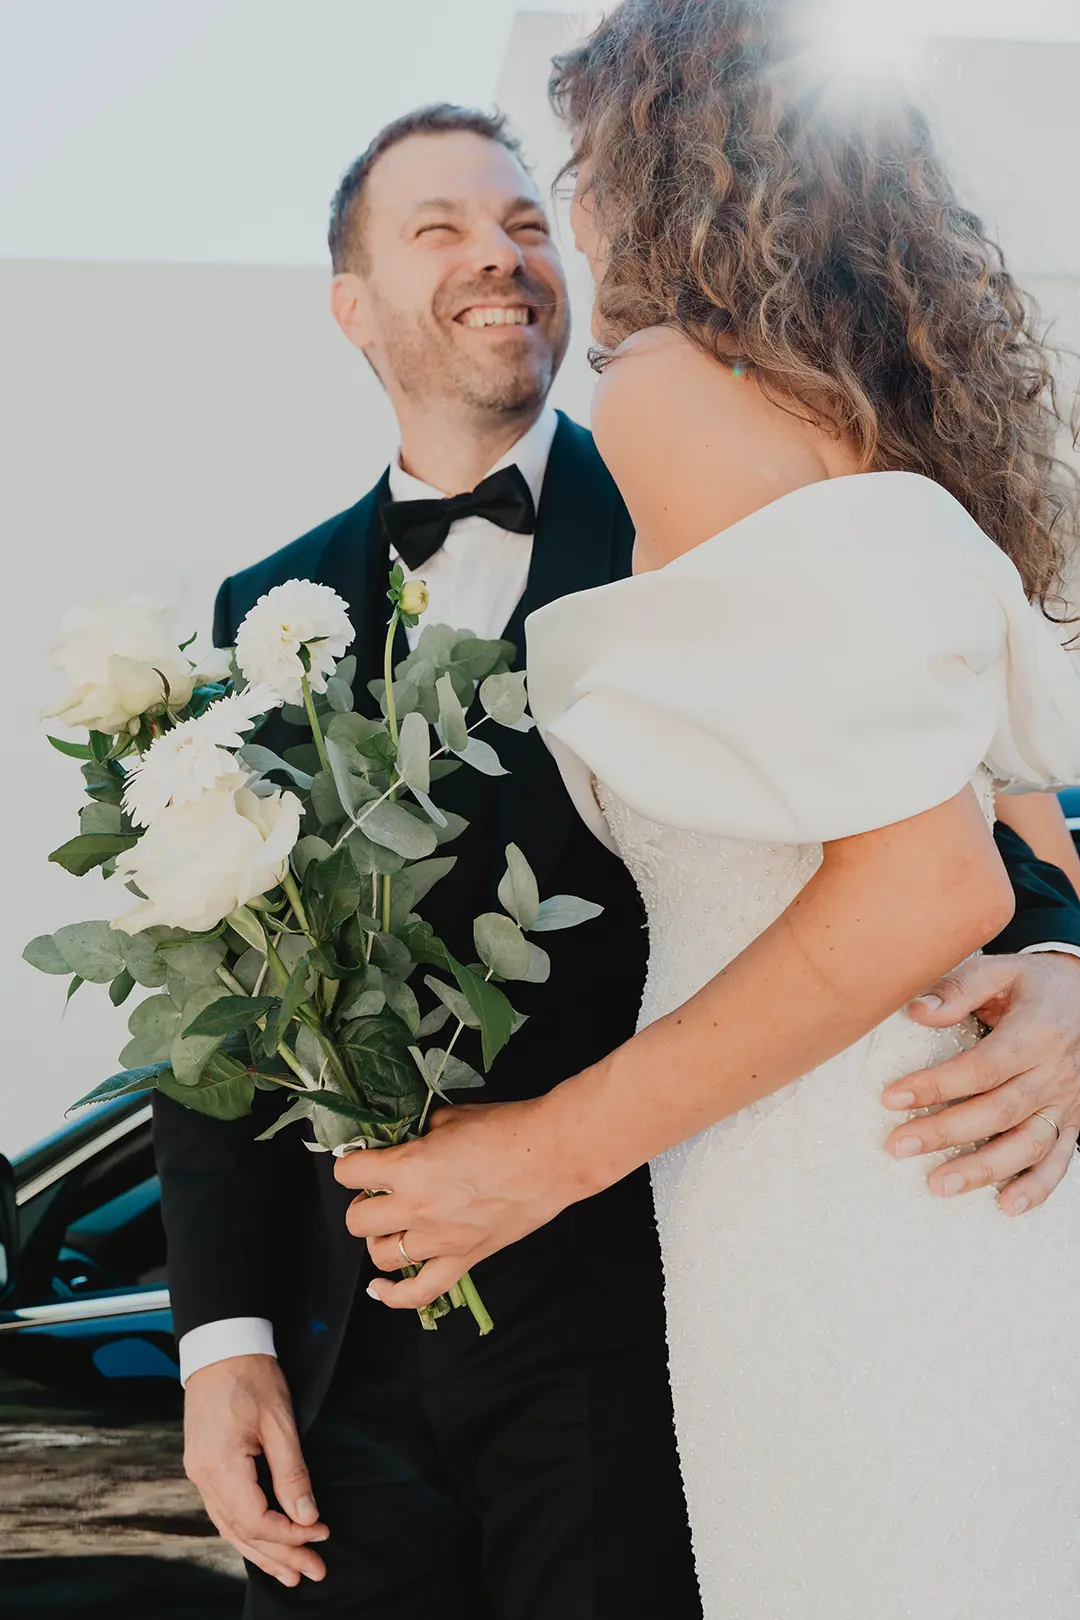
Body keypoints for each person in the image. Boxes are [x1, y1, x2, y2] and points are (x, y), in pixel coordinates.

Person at [158, 99, 1080, 1620]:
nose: (502, 258)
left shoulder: (705, 484)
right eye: (439, 229)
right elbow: (218, 984)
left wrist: (1060, 960)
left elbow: (954, 779)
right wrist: (224, 1343)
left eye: (526, 221)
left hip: (636, 1334)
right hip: (349, 1370)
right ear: (352, 303)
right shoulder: (257, 607)